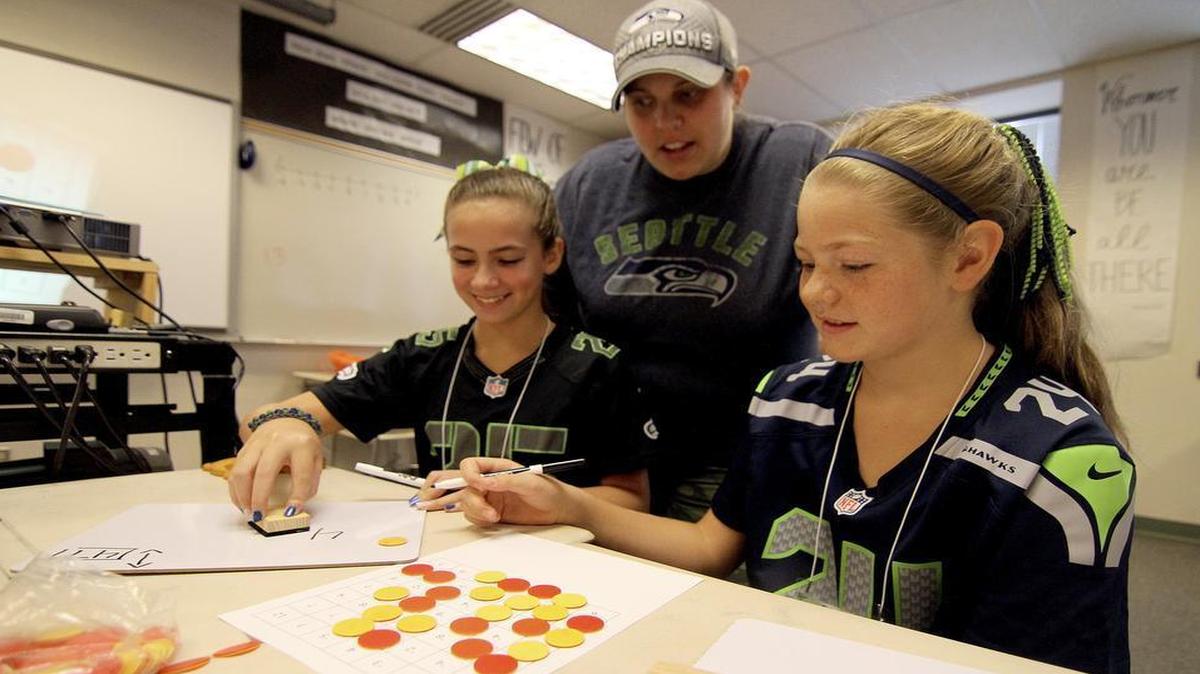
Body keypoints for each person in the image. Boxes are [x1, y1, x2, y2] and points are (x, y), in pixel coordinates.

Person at [447, 104, 1134, 673]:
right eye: (804, 262)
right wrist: (565, 501)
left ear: (969, 256)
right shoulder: (786, 399)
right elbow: (710, 548)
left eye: (854, 264)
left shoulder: (1058, 463)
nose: (815, 292)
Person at [228, 157, 656, 521]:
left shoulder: (598, 365)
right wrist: (288, 423)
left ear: (551, 255)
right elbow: (260, 421)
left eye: (508, 259)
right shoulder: (422, 357)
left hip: (560, 572)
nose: (484, 280)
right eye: (464, 259)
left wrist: (534, 503)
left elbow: (632, 501)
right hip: (439, 562)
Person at [549, 0, 833, 521]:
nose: (666, 121)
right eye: (641, 102)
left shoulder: (800, 162)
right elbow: (552, 324)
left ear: (737, 86)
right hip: (618, 456)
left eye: (689, 94)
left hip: (752, 457)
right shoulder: (589, 184)